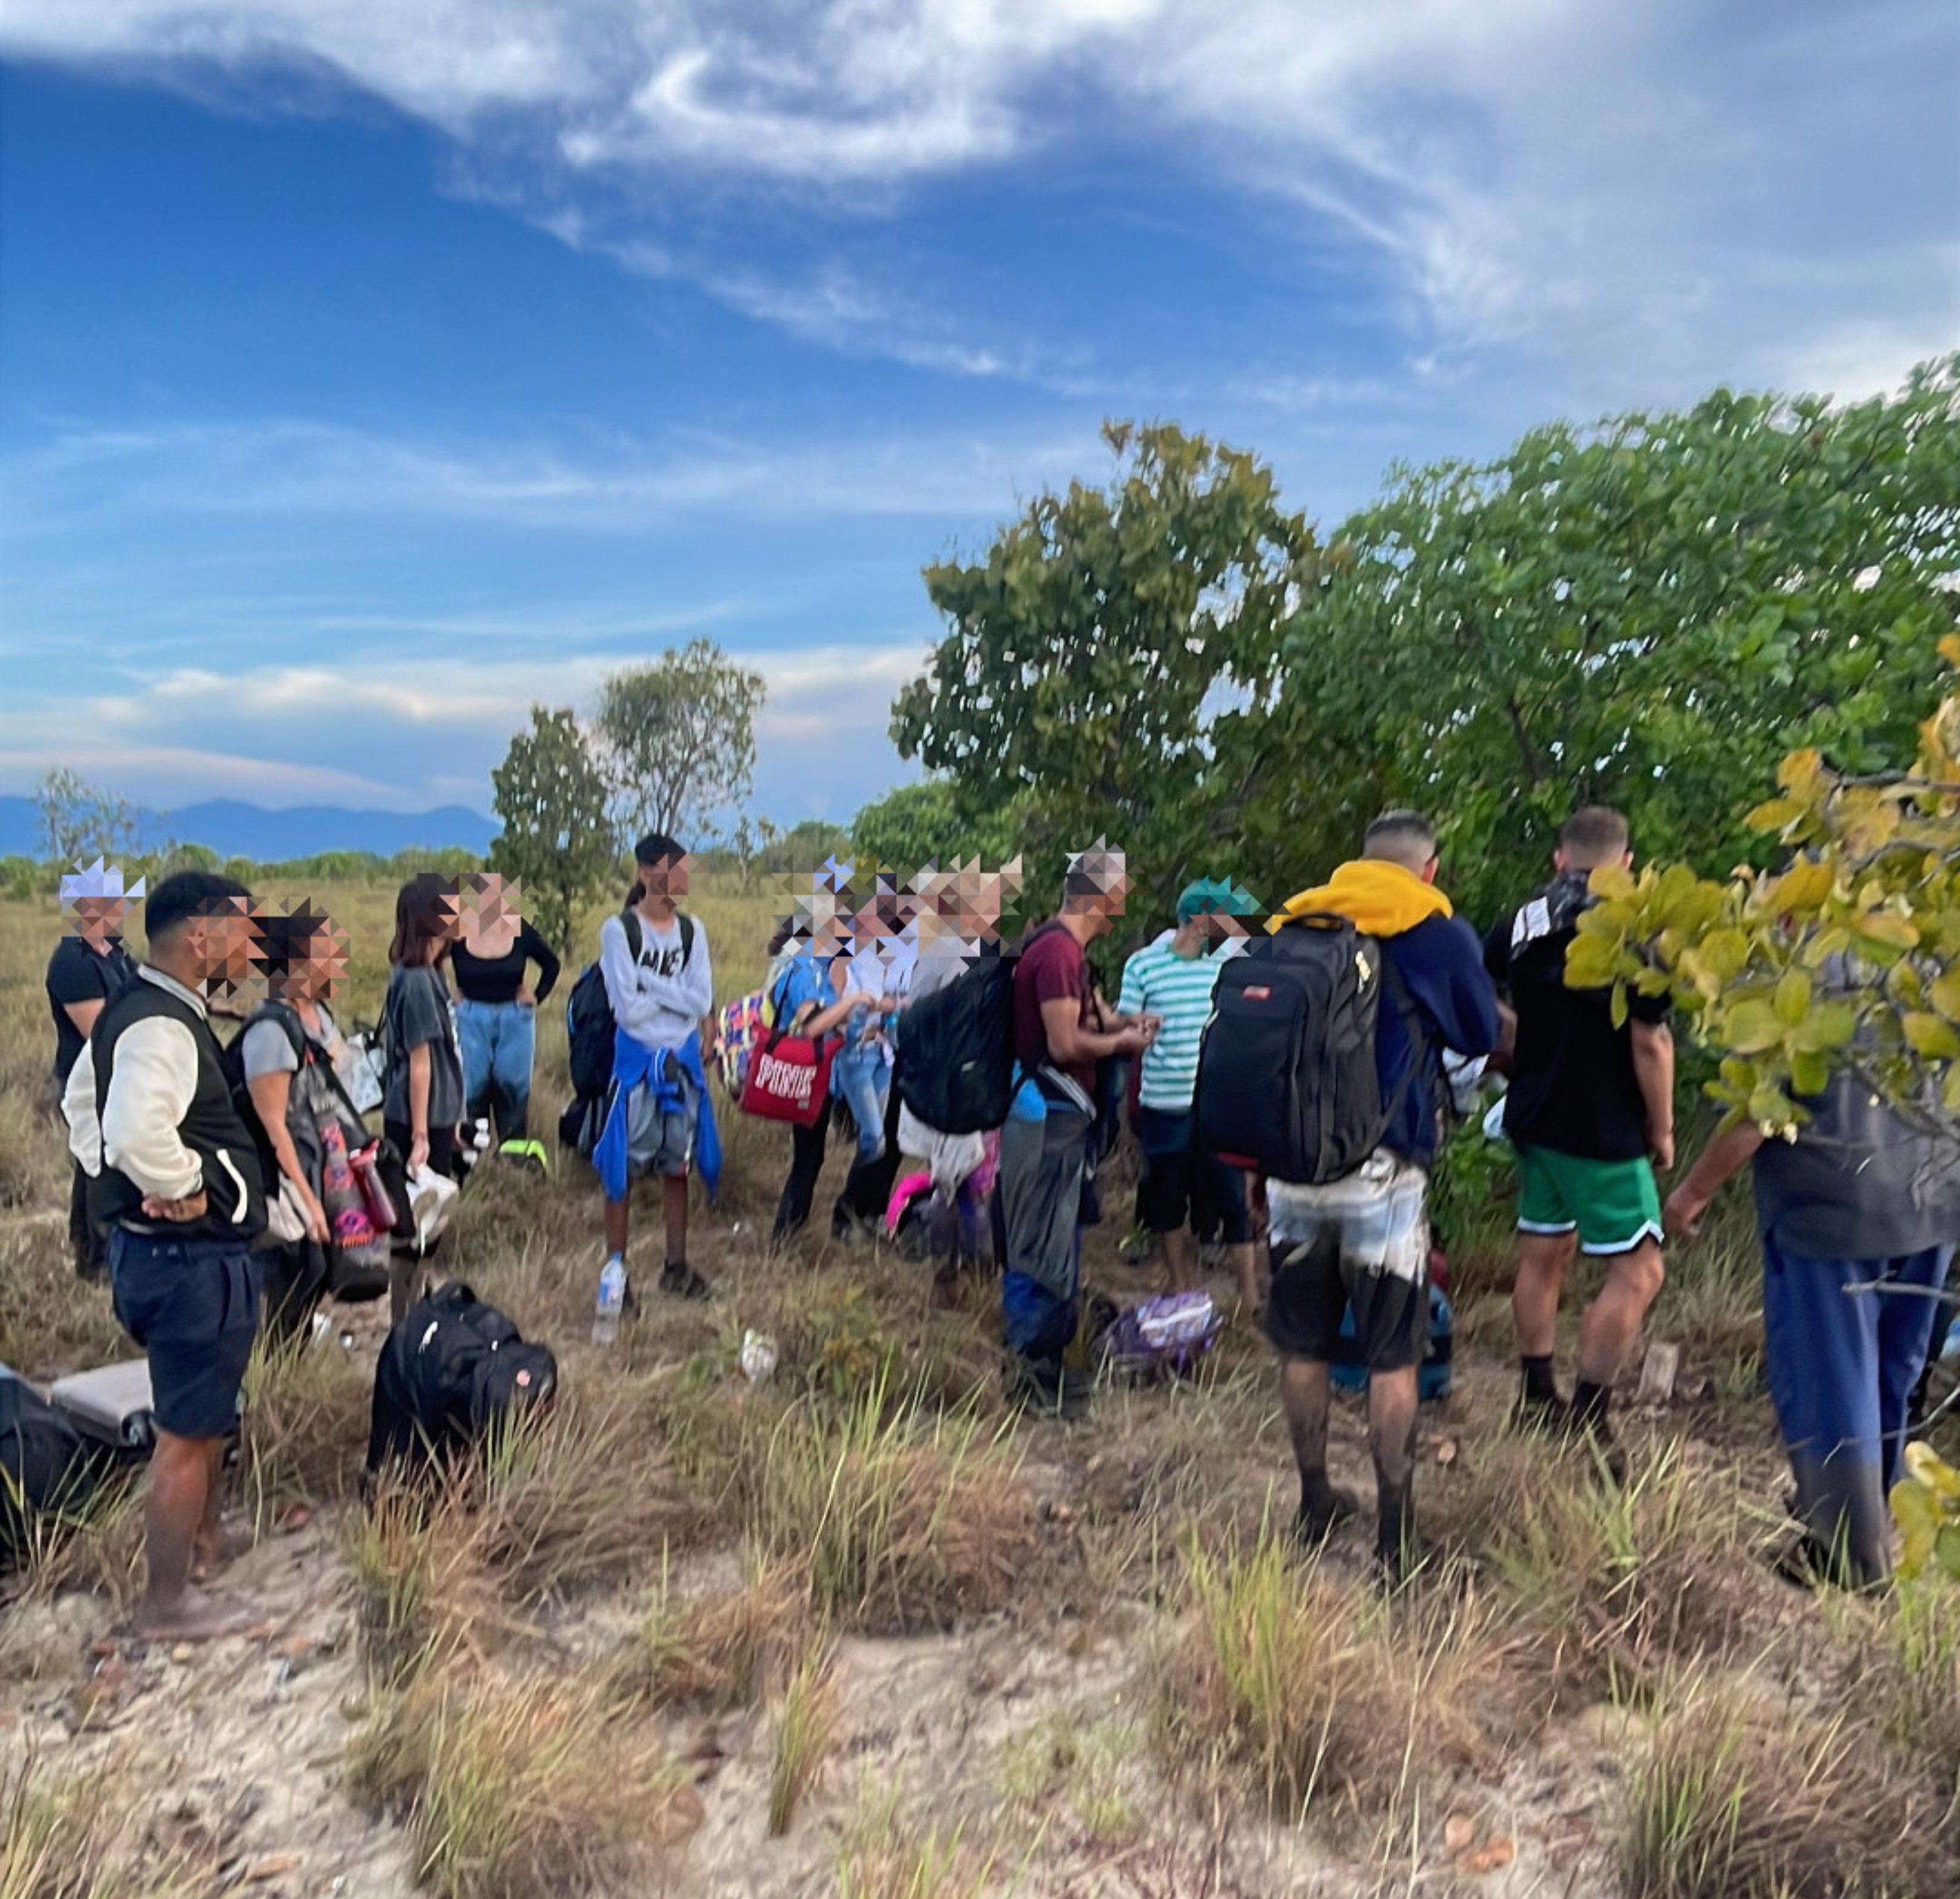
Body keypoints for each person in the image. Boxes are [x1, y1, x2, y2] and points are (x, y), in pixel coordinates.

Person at [1264, 812, 1501, 1581]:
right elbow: (1476, 1033)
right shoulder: (1435, 931)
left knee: (1302, 1343)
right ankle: (1397, 1540)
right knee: (1393, 1356)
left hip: (1291, 1169)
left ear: (1357, 863)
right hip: (1383, 1175)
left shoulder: (1298, 920)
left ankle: (1314, 1500)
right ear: (1427, 870)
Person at [61, 871, 267, 1640]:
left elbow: (83, 1103)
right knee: (185, 1434)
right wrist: (176, 1182)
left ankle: (206, 1544)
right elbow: (133, 1124)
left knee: (207, 1411)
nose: (252, 948)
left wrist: (106, 1167)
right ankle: (166, 1604)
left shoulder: (136, 1010)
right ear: (202, 937)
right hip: (186, 1265)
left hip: (169, 1260)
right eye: (244, 932)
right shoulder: (159, 1025)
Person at [1667, 1062, 1960, 1587]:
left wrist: (1694, 1190)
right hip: (1934, 1200)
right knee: (1894, 1371)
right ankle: (1879, 1519)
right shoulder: (1933, 976)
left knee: (1832, 1382)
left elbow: (1755, 1112)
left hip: (1830, 1208)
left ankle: (1848, 1559)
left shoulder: (1782, 977)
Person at [1486, 807, 1674, 1475]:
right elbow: (1649, 1040)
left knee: (1545, 1252)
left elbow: (1487, 1000)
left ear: (1560, 859)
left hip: (1534, 1117)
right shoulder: (1636, 931)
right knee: (1640, 1269)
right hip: (1603, 1129)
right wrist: (1663, 1128)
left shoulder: (1522, 920)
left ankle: (1537, 1393)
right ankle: (1592, 1417)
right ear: (1625, 863)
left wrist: (1523, 1044)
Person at [999, 842, 1157, 1417]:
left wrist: (1122, 1025)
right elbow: (1065, 1043)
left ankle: (1048, 1371)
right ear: (1098, 895)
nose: (1124, 901)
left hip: (1058, 1121)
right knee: (1039, 1247)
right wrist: (1122, 1043)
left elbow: (1088, 1021)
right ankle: (1028, 1379)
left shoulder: (1066, 952)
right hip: (1046, 1118)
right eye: (1118, 890)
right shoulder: (1059, 956)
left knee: (1056, 1244)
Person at [1117, 877, 1262, 1309]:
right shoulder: (1142, 966)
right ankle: (1184, 1291)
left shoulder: (1225, 966)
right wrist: (1137, 1029)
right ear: (1200, 920)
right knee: (1167, 1202)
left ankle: (1250, 1301)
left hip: (1217, 1105)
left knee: (1233, 1203)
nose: (1233, 928)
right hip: (1164, 1103)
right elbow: (1125, 1025)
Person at [594, 834, 718, 1302]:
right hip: (636, 1069)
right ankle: (617, 1276)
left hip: (681, 1068)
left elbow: (702, 1000)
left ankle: (676, 1265)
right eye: (674, 869)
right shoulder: (619, 931)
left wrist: (652, 985)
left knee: (676, 1168)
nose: (683, 879)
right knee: (621, 1171)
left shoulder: (693, 932)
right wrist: (675, 999)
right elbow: (627, 1011)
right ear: (647, 873)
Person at [240, 904, 366, 1342]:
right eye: (328, 953)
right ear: (297, 964)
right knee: (292, 1275)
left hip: (322, 1162)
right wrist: (310, 1203)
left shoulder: (318, 1013)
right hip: (285, 1179)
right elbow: (274, 1126)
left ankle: (292, 1357)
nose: (338, 961)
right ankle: (269, 1374)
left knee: (316, 1272)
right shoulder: (271, 1032)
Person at [47, 859, 141, 1280]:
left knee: (108, 1161)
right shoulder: (72, 960)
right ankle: (93, 1256)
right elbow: (100, 1031)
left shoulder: (116, 952)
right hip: (88, 1080)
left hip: (118, 1075)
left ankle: (101, 1250)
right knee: (95, 1162)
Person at [769, 898, 878, 1244]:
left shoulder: (820, 965)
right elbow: (813, 1025)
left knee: (811, 1158)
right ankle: (783, 1237)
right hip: (805, 1079)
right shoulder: (803, 969)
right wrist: (851, 1002)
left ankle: (789, 1235)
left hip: (819, 1079)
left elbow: (830, 1020)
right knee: (807, 1160)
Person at [382, 873, 466, 1324]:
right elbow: (420, 1063)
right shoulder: (416, 982)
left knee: (432, 1225)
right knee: (412, 1228)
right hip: (416, 1120)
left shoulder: (432, 973)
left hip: (434, 1117)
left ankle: (419, 1310)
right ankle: (403, 1322)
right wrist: (420, 1135)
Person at [450, 872, 560, 1146]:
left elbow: (551, 964)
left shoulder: (520, 930)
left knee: (512, 1093)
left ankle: (513, 1163)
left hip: (514, 1020)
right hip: (470, 1019)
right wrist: (450, 994)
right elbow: (428, 956)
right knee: (472, 1093)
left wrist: (536, 995)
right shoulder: (459, 932)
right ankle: (473, 1163)